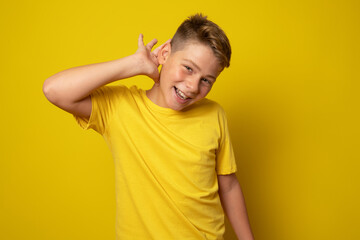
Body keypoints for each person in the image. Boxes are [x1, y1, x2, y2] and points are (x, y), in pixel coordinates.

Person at [43, 13, 254, 240]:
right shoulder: (121, 107)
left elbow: (229, 186)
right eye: (188, 68)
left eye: (207, 80)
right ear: (165, 53)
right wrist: (134, 64)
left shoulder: (214, 114)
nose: (193, 86)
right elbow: (54, 90)